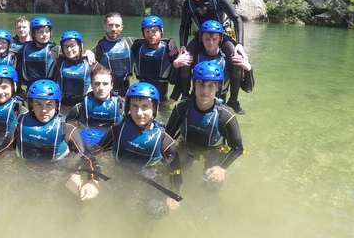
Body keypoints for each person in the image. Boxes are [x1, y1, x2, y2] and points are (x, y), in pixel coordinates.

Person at [0, 79, 101, 201]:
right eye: (38, 104)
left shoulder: (68, 130)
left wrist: (93, 181)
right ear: (31, 105)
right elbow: (0, 150)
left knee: (74, 191)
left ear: (57, 105)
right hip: (26, 170)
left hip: (58, 172)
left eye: (49, 104)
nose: (43, 110)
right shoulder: (20, 127)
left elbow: (88, 157)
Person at [93, 82, 182, 212]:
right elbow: (94, 151)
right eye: (135, 106)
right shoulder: (117, 130)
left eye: (145, 106)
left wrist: (174, 194)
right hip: (120, 174)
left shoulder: (164, 141)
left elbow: (176, 171)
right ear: (128, 107)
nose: (139, 113)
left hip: (148, 177)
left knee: (156, 212)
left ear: (155, 108)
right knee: (111, 209)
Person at [179, 0, 249, 114]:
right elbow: (184, 26)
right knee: (185, 60)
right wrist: (183, 46)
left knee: (236, 61)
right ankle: (186, 96)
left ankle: (233, 100)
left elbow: (237, 18)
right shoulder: (188, 2)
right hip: (202, 36)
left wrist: (240, 44)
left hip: (222, 35)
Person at [165, 62, 244, 183]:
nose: (204, 90)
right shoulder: (182, 108)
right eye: (200, 84)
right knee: (171, 173)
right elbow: (167, 136)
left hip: (213, 150)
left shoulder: (226, 117)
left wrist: (222, 168)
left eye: (211, 85)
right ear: (194, 84)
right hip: (187, 146)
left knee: (213, 182)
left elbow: (237, 149)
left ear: (219, 87)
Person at [130, 15, 192, 101]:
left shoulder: (170, 50)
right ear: (143, 33)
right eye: (147, 31)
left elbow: (179, 80)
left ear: (161, 31)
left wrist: (173, 99)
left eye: (154, 31)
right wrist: (169, 39)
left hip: (161, 100)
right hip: (141, 97)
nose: (151, 34)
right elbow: (119, 40)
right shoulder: (136, 46)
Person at [169, 19, 228, 103]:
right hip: (197, 98)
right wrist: (176, 65)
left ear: (220, 38)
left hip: (219, 100)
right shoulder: (195, 57)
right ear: (201, 38)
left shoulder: (227, 59)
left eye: (214, 39)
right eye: (207, 39)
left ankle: (234, 101)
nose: (210, 43)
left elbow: (247, 87)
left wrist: (248, 69)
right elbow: (175, 81)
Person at [66, 66, 124, 146]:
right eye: (97, 84)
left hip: (110, 146)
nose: (101, 88)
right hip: (86, 144)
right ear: (91, 85)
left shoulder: (121, 107)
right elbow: (66, 125)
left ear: (112, 86)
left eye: (105, 84)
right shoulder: (81, 106)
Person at [91, 12, 135, 95]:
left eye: (117, 25)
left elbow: (153, 41)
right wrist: (88, 52)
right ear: (105, 27)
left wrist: (168, 43)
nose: (114, 29)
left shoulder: (130, 43)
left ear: (122, 28)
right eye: (110, 25)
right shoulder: (98, 49)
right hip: (106, 93)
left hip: (127, 91)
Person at [53, 31, 92, 108]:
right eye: (66, 46)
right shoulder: (59, 63)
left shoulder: (90, 63)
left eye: (72, 46)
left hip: (82, 107)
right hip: (63, 106)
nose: (69, 50)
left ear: (80, 47)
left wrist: (89, 52)